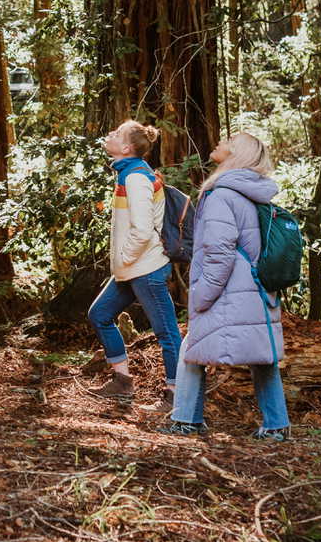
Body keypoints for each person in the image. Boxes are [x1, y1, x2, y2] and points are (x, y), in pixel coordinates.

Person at [159, 131, 291, 439]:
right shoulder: (249, 192)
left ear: (237, 154)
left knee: (191, 349)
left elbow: (219, 254)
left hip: (229, 292)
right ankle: (277, 426)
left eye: (228, 140)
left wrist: (201, 296)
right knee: (262, 355)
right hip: (255, 290)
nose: (219, 141)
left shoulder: (221, 195)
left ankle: (186, 420)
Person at [87, 120, 184, 402]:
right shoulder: (127, 173)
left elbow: (142, 231)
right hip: (132, 269)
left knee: (167, 333)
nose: (110, 134)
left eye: (116, 134)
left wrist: (124, 258)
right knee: (100, 314)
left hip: (146, 268)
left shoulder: (136, 178)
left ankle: (177, 396)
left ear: (127, 148)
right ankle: (122, 381)